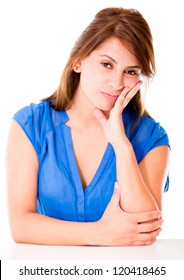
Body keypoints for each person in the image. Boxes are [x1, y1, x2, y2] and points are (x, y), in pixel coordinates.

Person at [6, 7, 170, 246]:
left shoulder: (151, 138)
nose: (116, 83)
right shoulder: (30, 125)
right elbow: (20, 225)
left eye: (131, 71)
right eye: (106, 64)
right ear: (78, 61)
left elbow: (145, 231)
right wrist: (100, 233)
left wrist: (121, 145)